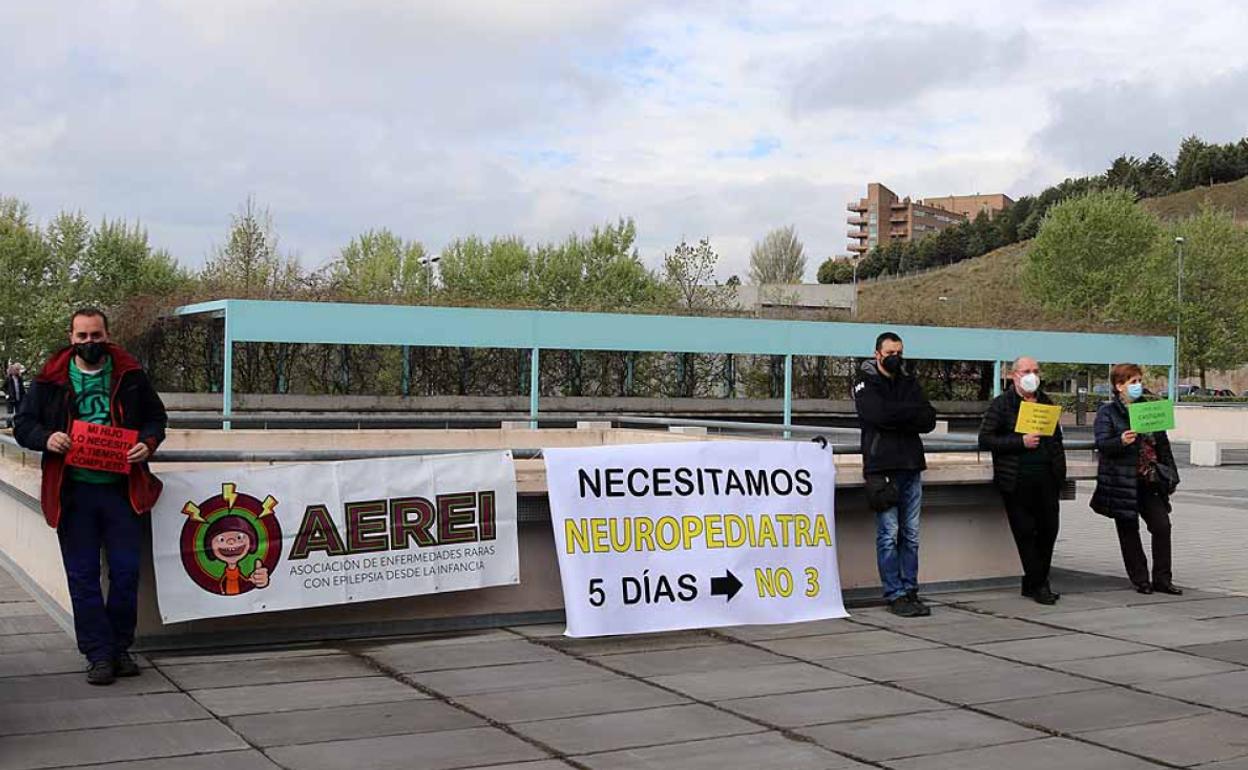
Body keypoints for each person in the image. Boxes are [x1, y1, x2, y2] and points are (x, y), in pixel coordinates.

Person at [14, 308, 167, 685]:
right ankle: (98, 654)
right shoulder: (48, 379)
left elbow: (156, 418)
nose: (89, 343)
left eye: (96, 335)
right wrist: (46, 439)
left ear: (107, 335)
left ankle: (119, 648)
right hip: (73, 493)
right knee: (82, 577)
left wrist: (147, 444)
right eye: (82, 336)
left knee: (127, 573)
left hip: (122, 491)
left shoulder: (130, 374)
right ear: (71, 338)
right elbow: (23, 424)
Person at [854, 331, 937, 617]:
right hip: (882, 469)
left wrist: (898, 414)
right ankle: (895, 593)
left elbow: (928, 418)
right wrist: (907, 414)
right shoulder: (865, 383)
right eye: (890, 353)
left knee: (911, 535)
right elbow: (877, 415)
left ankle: (910, 589)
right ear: (877, 354)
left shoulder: (909, 381)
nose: (896, 358)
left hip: (912, 466)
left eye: (899, 353)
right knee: (889, 534)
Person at [978, 357, 1067, 604]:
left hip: (1047, 479)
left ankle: (1034, 582)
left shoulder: (1046, 402)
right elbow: (985, 438)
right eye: (1027, 371)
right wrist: (1020, 442)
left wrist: (1059, 470)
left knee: (1048, 531)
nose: (1032, 375)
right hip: (1016, 480)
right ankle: (1039, 584)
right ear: (1014, 375)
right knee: (1025, 532)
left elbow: (1056, 438)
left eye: (1036, 371)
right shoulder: (1002, 404)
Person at [1091, 363, 1181, 595]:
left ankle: (1163, 579)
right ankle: (1140, 579)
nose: (1138, 386)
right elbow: (1102, 443)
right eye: (1133, 382)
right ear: (1119, 386)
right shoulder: (1108, 412)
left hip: (1150, 480)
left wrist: (1171, 475)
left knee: (1162, 526)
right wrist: (1120, 441)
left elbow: (1163, 445)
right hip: (1123, 480)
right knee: (1129, 531)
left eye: (1139, 381)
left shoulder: (1149, 409)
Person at [4, 363, 24, 427]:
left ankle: (18, 425)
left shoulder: (20, 378)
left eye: (18, 370)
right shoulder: (8, 378)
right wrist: (7, 394)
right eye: (16, 369)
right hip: (10, 398)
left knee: (19, 412)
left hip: (19, 398)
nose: (18, 371)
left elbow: (22, 388)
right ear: (13, 370)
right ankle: (9, 426)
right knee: (10, 412)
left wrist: (24, 396)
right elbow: (3, 387)